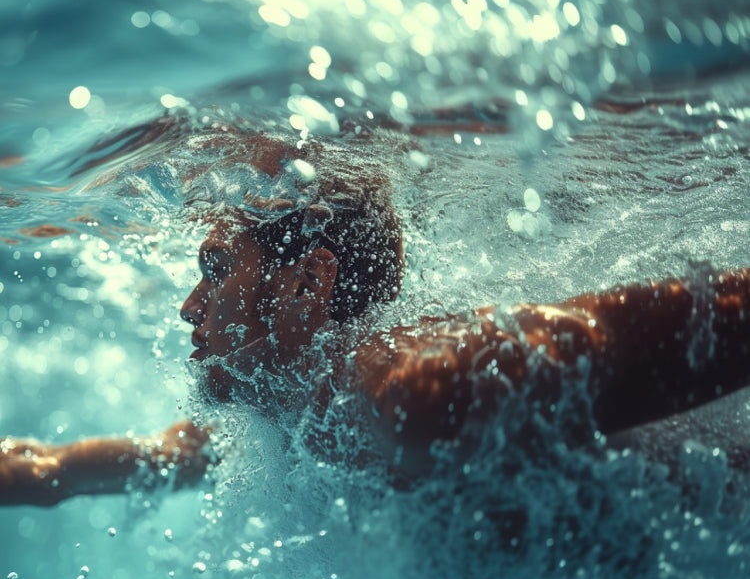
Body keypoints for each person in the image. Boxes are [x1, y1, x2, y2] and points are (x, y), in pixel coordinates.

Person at [3, 126, 750, 506]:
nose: (189, 305)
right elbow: (58, 471)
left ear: (310, 282)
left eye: (214, 268)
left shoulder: (408, 388)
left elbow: (696, 328)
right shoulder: (292, 415)